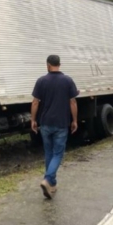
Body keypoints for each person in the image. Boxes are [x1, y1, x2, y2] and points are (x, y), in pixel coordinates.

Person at [31, 55, 79, 199]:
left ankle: (52, 184)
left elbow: (35, 103)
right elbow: (73, 103)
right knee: (58, 154)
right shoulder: (67, 81)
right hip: (61, 123)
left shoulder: (41, 81)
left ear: (48, 65)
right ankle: (47, 179)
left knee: (49, 153)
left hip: (45, 123)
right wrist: (74, 120)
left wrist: (33, 120)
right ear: (59, 64)